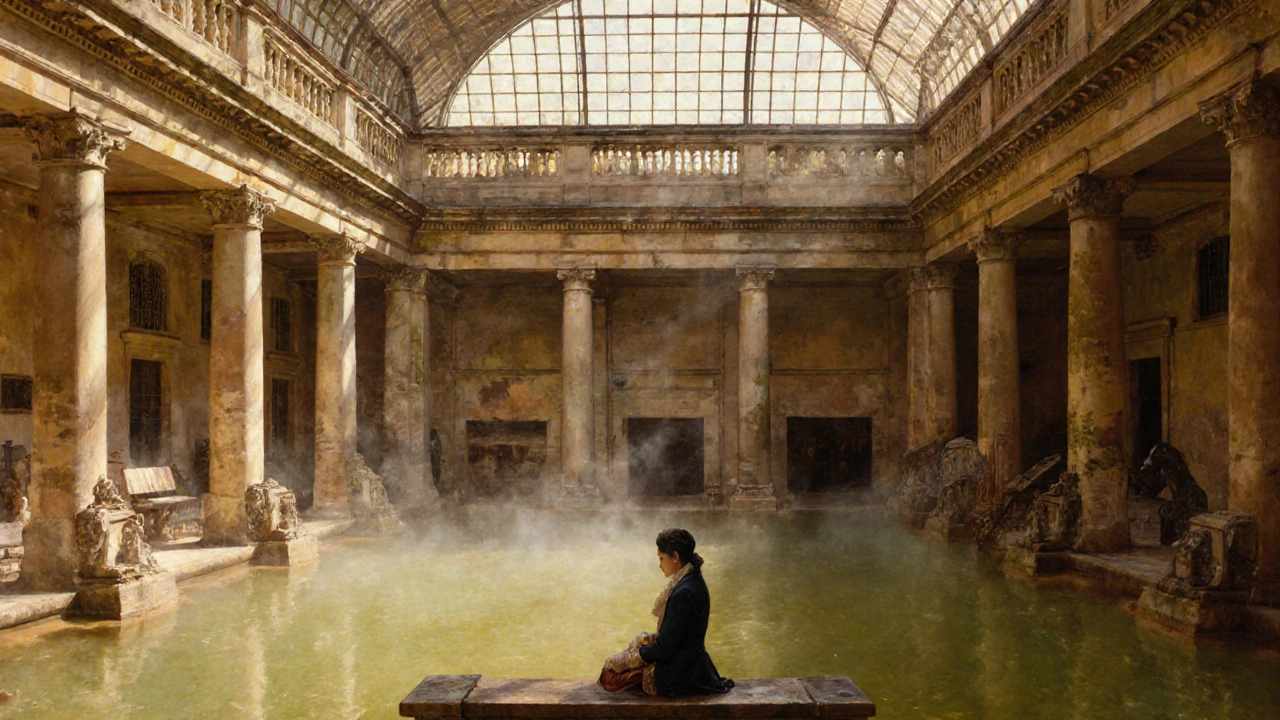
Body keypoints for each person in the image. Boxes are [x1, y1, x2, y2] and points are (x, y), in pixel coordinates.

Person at [599, 528, 735, 697]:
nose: (660, 565)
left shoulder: (684, 592)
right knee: (637, 645)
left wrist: (626, 660)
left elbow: (664, 649)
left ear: (675, 557)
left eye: (662, 559)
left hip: (679, 675)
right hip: (690, 664)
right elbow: (674, 637)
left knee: (609, 676)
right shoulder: (691, 579)